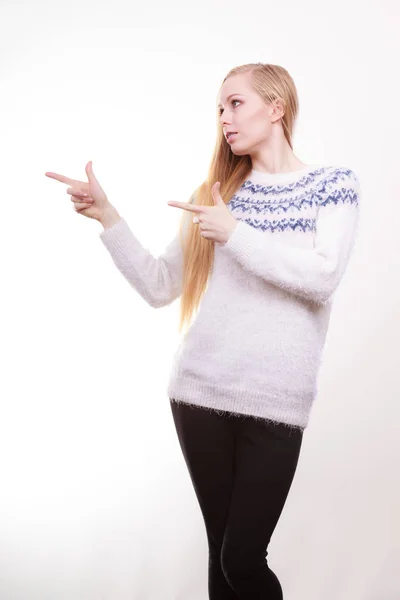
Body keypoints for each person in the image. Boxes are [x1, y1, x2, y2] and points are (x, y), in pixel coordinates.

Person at [45, 62, 361, 599]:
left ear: (276, 108)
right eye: (219, 108)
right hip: (198, 394)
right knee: (222, 558)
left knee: (244, 558)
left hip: (276, 403)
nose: (224, 119)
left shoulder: (331, 186)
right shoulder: (219, 192)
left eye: (235, 104)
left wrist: (236, 235)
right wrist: (108, 216)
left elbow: (322, 278)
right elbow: (160, 285)